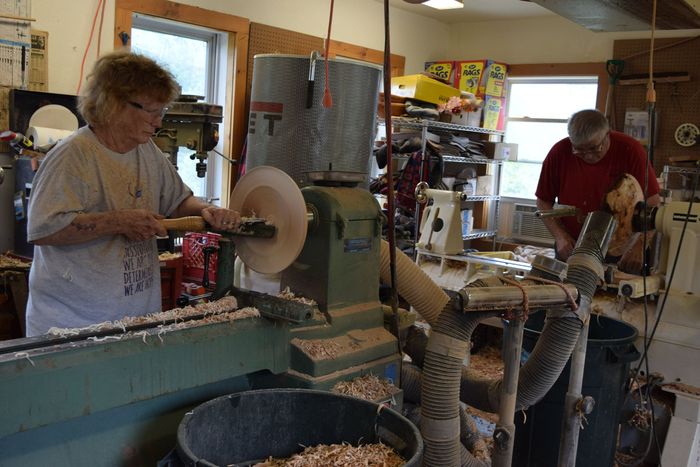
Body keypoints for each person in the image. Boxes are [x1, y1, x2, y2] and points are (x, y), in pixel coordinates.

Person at [25, 51, 241, 336]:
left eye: (161, 112)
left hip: (134, 323)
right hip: (72, 327)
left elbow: (178, 201)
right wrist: (119, 222)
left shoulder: (146, 151)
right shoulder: (73, 156)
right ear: (114, 105)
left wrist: (205, 210)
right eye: (152, 112)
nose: (159, 122)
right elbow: (43, 229)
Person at [535, 109, 660, 261]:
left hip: (622, 248)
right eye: (579, 150)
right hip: (572, 244)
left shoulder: (630, 150)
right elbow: (543, 201)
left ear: (608, 134)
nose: (588, 156)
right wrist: (560, 237)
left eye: (595, 148)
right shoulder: (559, 152)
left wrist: (639, 245)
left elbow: (653, 204)